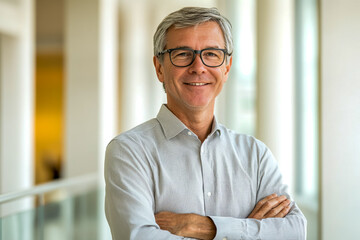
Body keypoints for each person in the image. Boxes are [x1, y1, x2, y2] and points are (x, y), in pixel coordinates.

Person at [105, 6, 306, 240]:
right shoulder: (128, 152)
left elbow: (295, 232)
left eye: (211, 54)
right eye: (182, 54)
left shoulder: (256, 155)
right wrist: (247, 230)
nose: (198, 67)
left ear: (227, 67)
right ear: (159, 68)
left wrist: (206, 227)